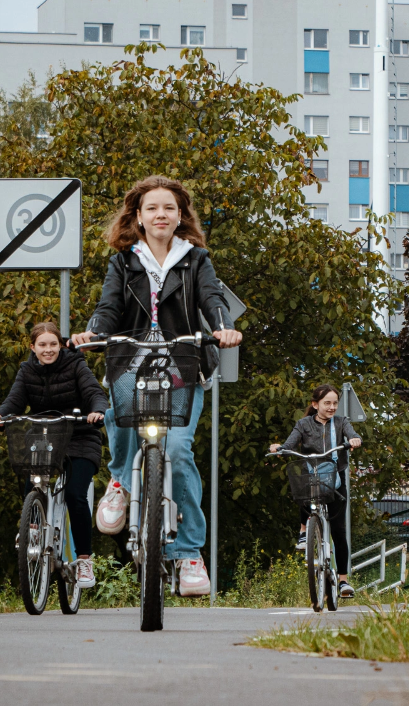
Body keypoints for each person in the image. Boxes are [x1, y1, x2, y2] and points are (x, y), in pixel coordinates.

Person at [71, 175, 242, 597]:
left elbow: (212, 300)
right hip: (131, 361)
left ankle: (189, 554)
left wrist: (223, 328)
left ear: (180, 216)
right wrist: (94, 332)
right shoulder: (123, 262)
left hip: (183, 365)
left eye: (169, 208)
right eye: (152, 208)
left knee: (179, 451)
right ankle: (120, 482)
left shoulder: (196, 259)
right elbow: (108, 306)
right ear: (139, 216)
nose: (160, 214)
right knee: (120, 417)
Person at [0, 321, 109, 589]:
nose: (48, 349)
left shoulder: (75, 364)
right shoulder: (27, 370)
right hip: (46, 436)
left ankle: (84, 560)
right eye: (42, 345)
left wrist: (97, 411)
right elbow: (14, 401)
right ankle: (32, 528)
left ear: (61, 345)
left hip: (80, 436)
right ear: (33, 347)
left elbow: (93, 392)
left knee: (75, 494)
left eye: (53, 344)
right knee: (31, 478)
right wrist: (0, 415)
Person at [269, 384, 362, 598]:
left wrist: (354, 439)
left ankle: (343, 581)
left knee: (339, 531)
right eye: (326, 403)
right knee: (303, 489)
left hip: (335, 478)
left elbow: (352, 433)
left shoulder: (341, 422)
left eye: (335, 403)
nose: (331, 407)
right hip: (312, 473)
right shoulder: (303, 424)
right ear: (315, 404)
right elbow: (290, 443)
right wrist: (279, 448)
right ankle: (304, 531)